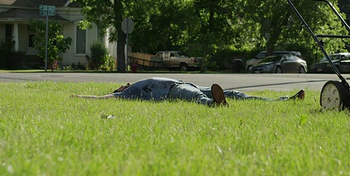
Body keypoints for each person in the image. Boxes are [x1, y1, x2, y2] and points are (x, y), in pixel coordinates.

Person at [73, 77, 305, 107]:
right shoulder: (129, 92)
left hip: (187, 83)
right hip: (172, 91)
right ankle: (213, 105)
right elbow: (104, 97)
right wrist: (80, 97)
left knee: (236, 93)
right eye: (121, 85)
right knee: (195, 98)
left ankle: (283, 99)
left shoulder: (139, 83)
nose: (125, 84)